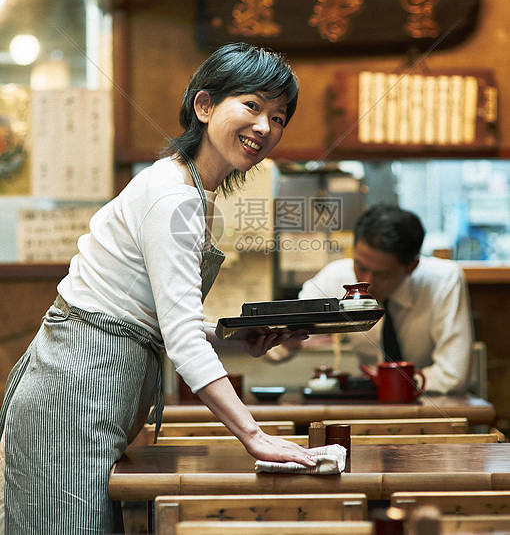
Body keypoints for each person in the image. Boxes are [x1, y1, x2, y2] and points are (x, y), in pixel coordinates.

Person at [0, 42, 315, 534]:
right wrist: (256, 437)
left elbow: (153, 314)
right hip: (74, 390)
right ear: (205, 106)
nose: (264, 127)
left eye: (278, 118)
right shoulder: (174, 196)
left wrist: (229, 334)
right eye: (252, 105)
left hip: (96, 387)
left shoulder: (194, 192)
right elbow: (179, 335)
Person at [298, 203, 474, 394]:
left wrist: (388, 383)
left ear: (411, 266)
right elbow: (276, 340)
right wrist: (294, 337)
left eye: (382, 275)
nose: (367, 283)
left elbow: (453, 375)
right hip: (366, 404)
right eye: (361, 267)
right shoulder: (337, 278)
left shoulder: (443, 281)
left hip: (429, 402)